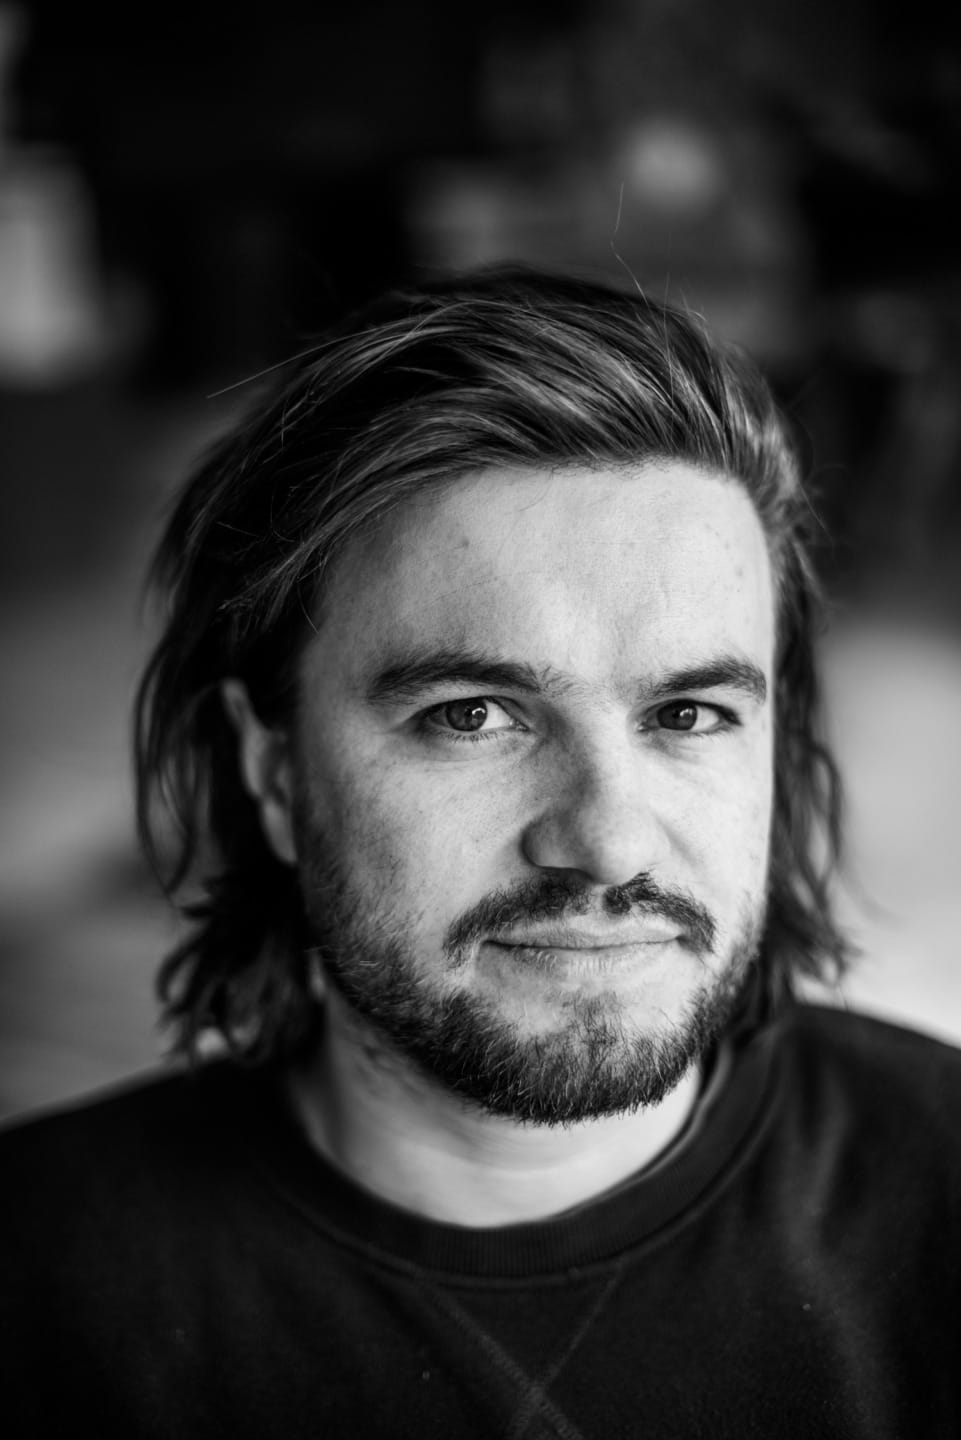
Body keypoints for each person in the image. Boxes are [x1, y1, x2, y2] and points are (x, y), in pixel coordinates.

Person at [2, 267, 959, 1438]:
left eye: (689, 715)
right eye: (471, 715)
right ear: (272, 769)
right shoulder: (41, 1288)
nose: (605, 839)